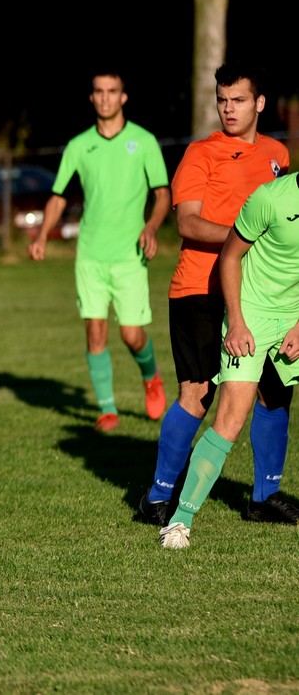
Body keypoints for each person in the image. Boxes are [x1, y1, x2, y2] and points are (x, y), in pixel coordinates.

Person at [139, 61, 296, 528]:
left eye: (239, 100)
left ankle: (264, 497)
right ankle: (157, 497)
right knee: (199, 391)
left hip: (261, 296)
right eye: (222, 100)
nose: (228, 109)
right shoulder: (201, 153)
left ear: (259, 103)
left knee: (275, 391)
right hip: (199, 286)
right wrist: (247, 234)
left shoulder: (277, 155)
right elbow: (186, 222)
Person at [160, 170, 299, 548]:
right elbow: (231, 256)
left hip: (295, 315)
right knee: (230, 420)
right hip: (250, 312)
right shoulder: (269, 198)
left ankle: (265, 497)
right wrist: (236, 322)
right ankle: (179, 520)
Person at [28, 70, 171, 433]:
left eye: (112, 91)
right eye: (99, 92)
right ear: (91, 98)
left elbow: (162, 194)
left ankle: (151, 376)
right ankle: (107, 410)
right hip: (90, 254)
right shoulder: (78, 146)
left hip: (129, 255)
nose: (105, 97)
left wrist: (151, 226)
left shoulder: (143, 141)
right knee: (95, 332)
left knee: (132, 335)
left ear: (123, 97)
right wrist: (43, 235)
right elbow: (58, 196)